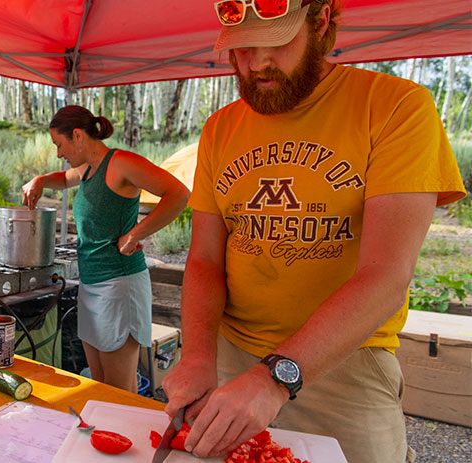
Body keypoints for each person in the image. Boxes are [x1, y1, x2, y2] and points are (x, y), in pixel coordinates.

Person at [161, 1, 466, 462]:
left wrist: (273, 378)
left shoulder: (396, 107)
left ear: (321, 20)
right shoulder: (220, 127)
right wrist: (199, 355)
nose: (257, 63)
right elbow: (205, 259)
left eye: (276, 42)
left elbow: (387, 274)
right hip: (229, 352)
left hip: (345, 364)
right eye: (242, 48)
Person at [22, 105, 190, 393]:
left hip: (119, 285)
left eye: (59, 145)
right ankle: (103, 436)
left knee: (119, 389)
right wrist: (39, 181)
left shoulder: (122, 163)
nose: (59, 154)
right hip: (92, 284)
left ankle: (124, 436)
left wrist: (136, 233)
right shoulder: (86, 169)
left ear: (77, 135)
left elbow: (179, 194)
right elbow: (62, 179)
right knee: (99, 384)